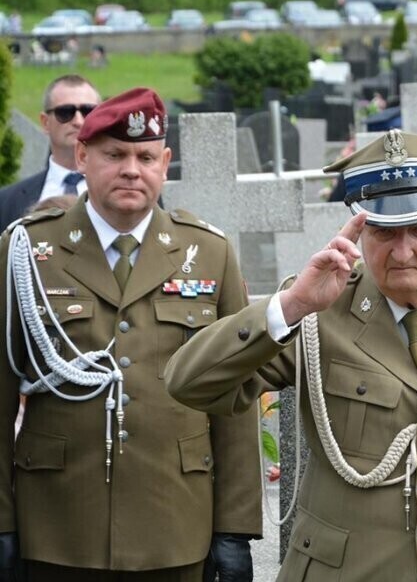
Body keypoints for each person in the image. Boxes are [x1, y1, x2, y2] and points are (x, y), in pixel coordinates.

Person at [165, 129, 417, 581]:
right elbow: (187, 382)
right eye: (383, 231)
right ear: (358, 230)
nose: (402, 251)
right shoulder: (320, 310)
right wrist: (291, 307)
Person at [0, 87, 262, 580]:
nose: (131, 170)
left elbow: (235, 402)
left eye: (145, 156)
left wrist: (235, 528)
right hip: (57, 529)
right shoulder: (26, 252)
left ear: (165, 162)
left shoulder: (208, 253)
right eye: (114, 154)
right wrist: (1, 524)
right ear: (82, 155)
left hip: (176, 525)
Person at [0, 75, 101, 230]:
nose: (78, 121)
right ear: (45, 122)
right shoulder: (6, 201)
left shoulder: (127, 191)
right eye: (65, 112)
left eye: (88, 111)